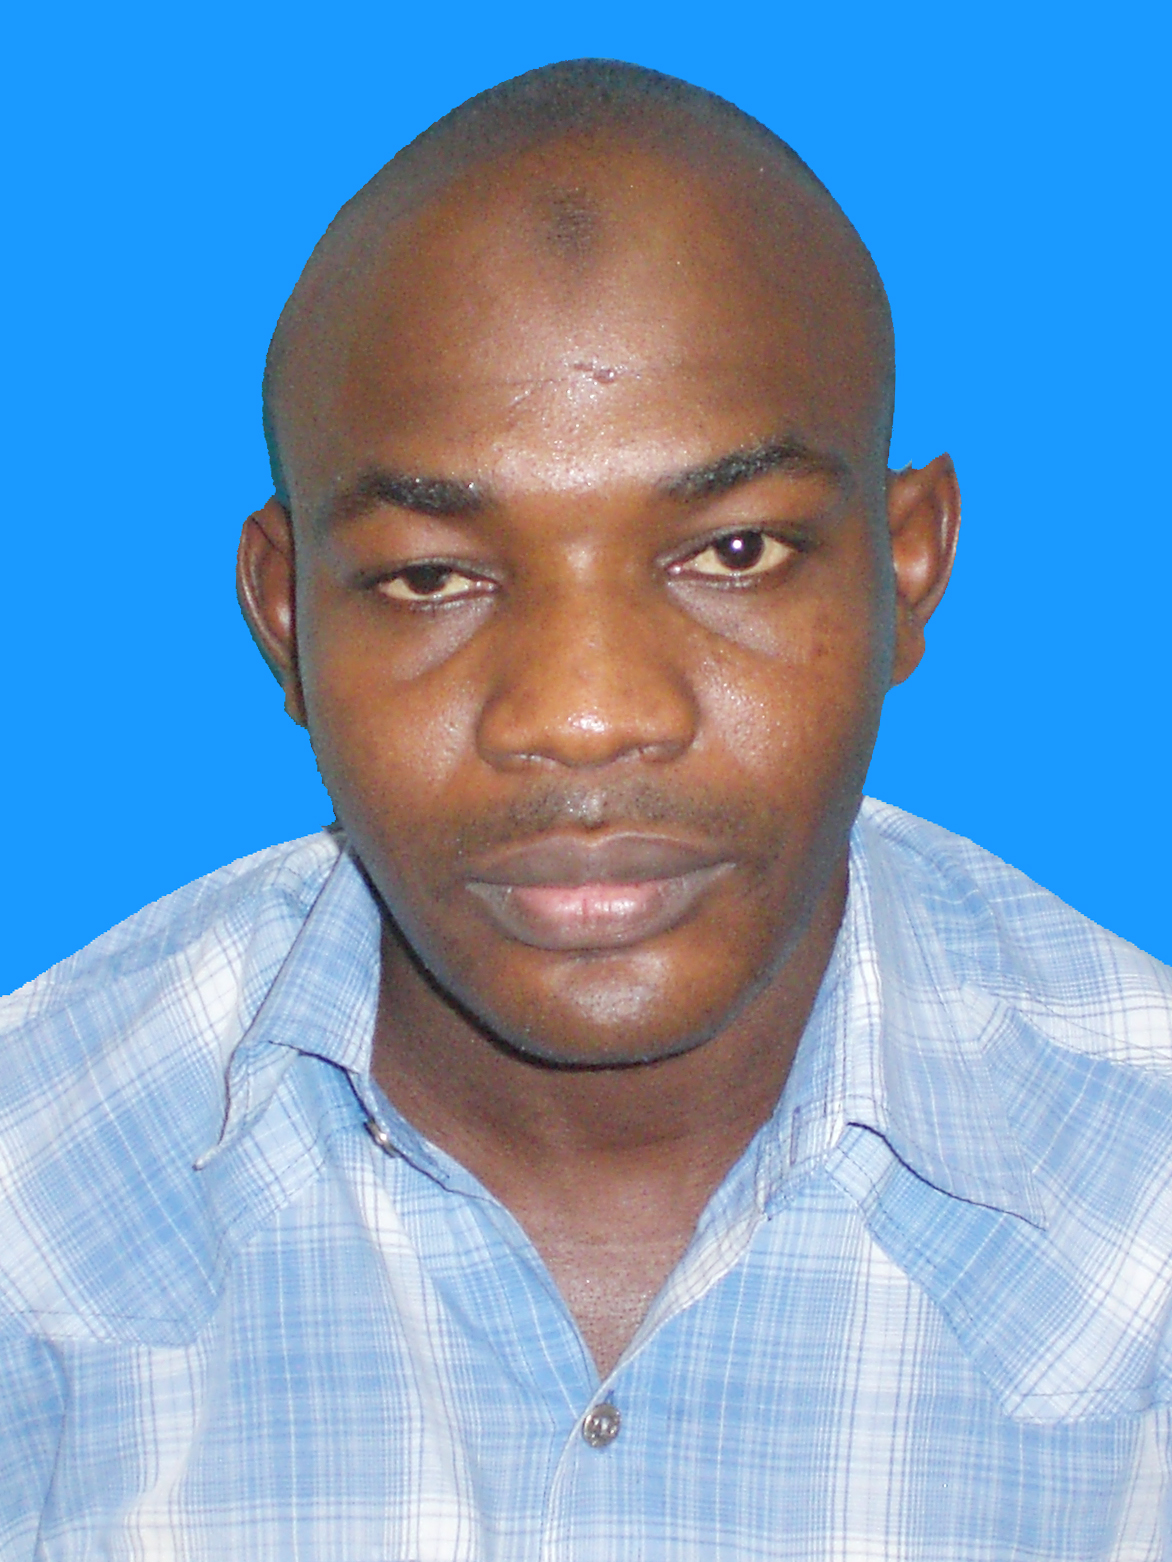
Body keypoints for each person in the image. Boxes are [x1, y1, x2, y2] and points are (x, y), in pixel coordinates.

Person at [2, 57, 1170, 1561]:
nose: (584, 712)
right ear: (286, 619)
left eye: (734, 552)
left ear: (907, 570)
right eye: (433, 576)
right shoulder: (32, 1205)